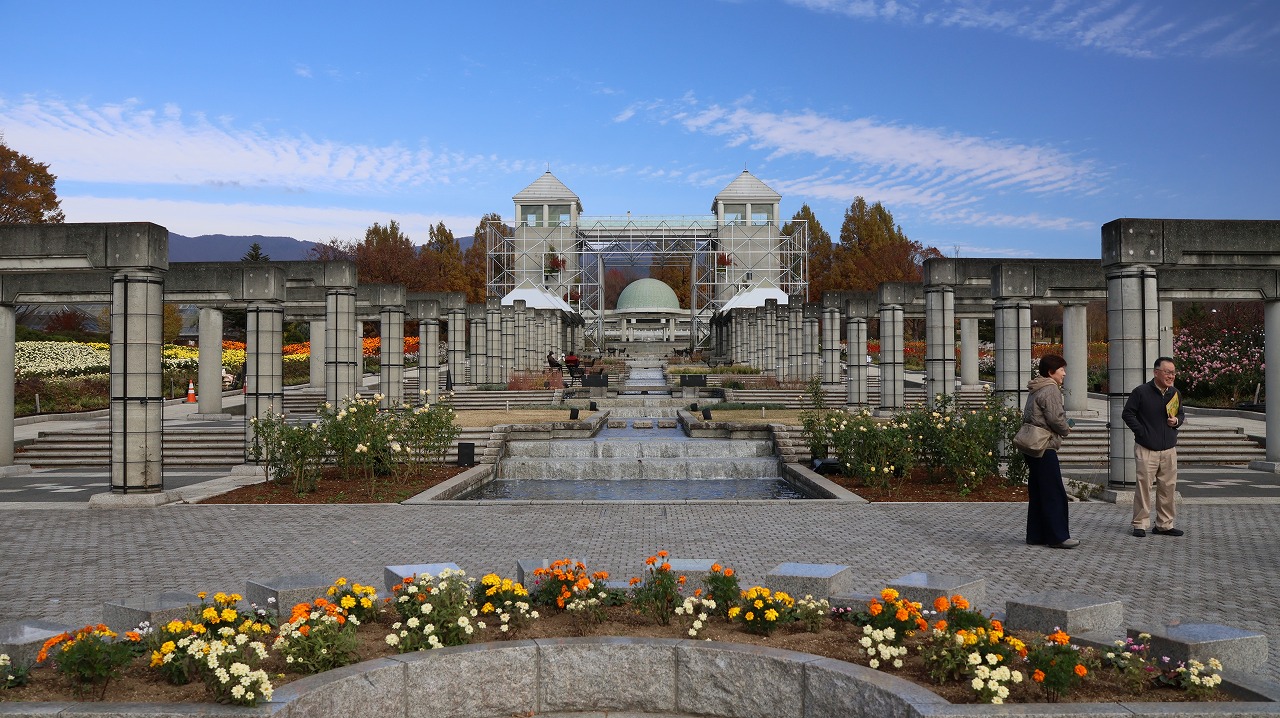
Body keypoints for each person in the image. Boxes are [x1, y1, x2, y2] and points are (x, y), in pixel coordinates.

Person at [1123, 356, 1185, 538]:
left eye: (1173, 372)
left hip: (1168, 449)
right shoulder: (1141, 392)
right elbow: (1128, 414)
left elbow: (1181, 413)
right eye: (1167, 372)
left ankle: (1164, 525)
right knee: (1144, 487)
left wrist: (1176, 421)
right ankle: (1140, 524)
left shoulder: (1175, 393)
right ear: (1156, 372)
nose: (1171, 376)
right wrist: (1141, 432)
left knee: (1168, 488)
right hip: (1146, 448)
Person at [1021, 354, 1078, 549]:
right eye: (1061, 369)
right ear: (1050, 372)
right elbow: (1055, 418)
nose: (1064, 373)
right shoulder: (1050, 389)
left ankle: (1036, 535)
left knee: (1038, 491)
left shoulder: (1035, 387)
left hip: (1031, 446)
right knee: (1054, 493)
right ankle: (1058, 536)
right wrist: (1065, 429)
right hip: (1044, 446)